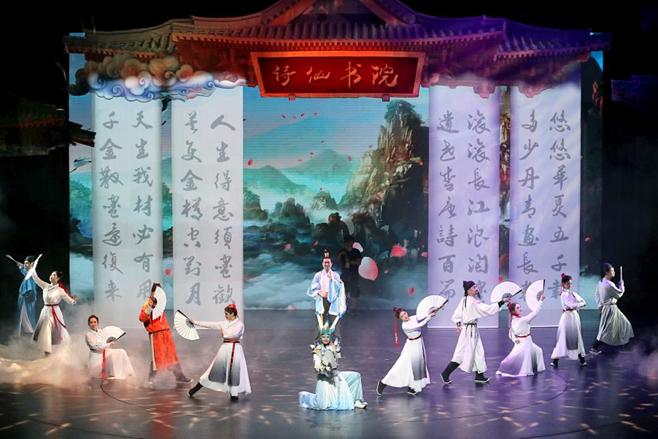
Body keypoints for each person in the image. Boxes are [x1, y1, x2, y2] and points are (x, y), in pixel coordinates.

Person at [441, 281, 508, 384]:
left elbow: (457, 315)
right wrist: (501, 302)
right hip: (469, 331)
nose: (476, 289)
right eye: (473, 287)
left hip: (470, 330)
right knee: (461, 354)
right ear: (468, 290)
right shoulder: (472, 301)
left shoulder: (464, 300)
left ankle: (479, 376)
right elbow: (487, 309)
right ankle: (445, 373)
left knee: (478, 352)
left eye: (476, 287)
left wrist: (458, 324)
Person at [188, 304, 251, 401]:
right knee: (214, 370)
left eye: (226, 314)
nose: (225, 316)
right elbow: (211, 325)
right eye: (225, 314)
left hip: (235, 349)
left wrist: (223, 333)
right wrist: (195, 322)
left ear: (232, 314)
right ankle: (196, 388)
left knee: (234, 372)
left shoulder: (240, 324)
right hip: (225, 348)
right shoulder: (224, 323)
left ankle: (234, 393)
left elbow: (234, 335)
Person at [299, 326, 367, 410]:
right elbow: (317, 366)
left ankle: (356, 400)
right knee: (324, 405)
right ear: (320, 338)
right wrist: (322, 369)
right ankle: (305, 396)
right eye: (323, 337)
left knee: (355, 376)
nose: (325, 339)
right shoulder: (318, 350)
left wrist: (335, 353)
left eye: (327, 337)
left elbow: (336, 361)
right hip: (325, 380)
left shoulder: (333, 347)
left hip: (335, 376)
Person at [376, 305, 440, 396]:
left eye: (405, 314)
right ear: (400, 319)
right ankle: (383, 383)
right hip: (412, 346)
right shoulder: (405, 326)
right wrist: (429, 317)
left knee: (415, 366)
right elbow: (420, 325)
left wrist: (430, 311)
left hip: (418, 343)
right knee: (401, 366)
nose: (405, 316)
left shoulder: (413, 317)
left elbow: (421, 316)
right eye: (402, 316)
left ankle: (411, 387)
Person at [138, 283, 192, 386]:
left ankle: (179, 376)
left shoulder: (160, 304)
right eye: (157, 291)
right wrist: (150, 307)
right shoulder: (147, 304)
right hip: (156, 334)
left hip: (165, 332)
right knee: (157, 357)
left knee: (171, 355)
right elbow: (141, 318)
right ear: (153, 292)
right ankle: (150, 379)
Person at [590, 263, 634, 354]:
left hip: (609, 308)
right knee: (605, 330)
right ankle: (594, 347)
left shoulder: (601, 282)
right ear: (607, 272)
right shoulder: (609, 285)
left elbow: (597, 294)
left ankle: (625, 346)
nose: (614, 272)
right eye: (612, 270)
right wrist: (622, 285)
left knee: (623, 324)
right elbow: (619, 294)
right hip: (610, 309)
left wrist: (600, 306)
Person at [497, 296, 546, 377]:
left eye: (520, 307)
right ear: (513, 311)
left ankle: (537, 368)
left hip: (527, 342)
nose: (520, 309)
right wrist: (541, 301)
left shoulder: (514, 320)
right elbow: (535, 312)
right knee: (520, 359)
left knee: (538, 350)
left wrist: (515, 340)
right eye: (518, 308)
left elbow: (510, 334)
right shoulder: (522, 320)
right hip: (525, 343)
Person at [31, 269, 76, 356]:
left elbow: (69, 300)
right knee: (46, 331)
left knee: (55, 331)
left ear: (58, 278)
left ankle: (56, 351)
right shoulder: (45, 286)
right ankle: (47, 352)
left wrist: (73, 300)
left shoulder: (60, 290)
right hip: (45, 311)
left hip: (55, 312)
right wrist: (32, 270)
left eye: (54, 275)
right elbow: (36, 279)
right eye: (51, 274)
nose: (51, 276)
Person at [550, 274, 587, 367]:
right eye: (568, 284)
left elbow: (572, 304)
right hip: (568, 317)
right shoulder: (565, 294)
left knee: (574, 337)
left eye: (570, 283)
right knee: (567, 337)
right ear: (563, 284)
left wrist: (579, 301)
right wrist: (582, 303)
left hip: (572, 316)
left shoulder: (567, 293)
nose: (570, 285)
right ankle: (556, 360)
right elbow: (571, 304)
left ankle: (581, 359)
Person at [85, 314, 135, 381]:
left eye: (95, 322)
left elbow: (104, 342)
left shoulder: (101, 331)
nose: (93, 324)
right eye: (91, 322)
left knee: (121, 351)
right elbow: (95, 347)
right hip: (97, 358)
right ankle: (115, 373)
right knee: (112, 354)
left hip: (105, 353)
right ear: (89, 324)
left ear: (97, 323)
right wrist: (108, 344)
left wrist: (109, 342)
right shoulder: (88, 335)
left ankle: (128, 372)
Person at [307, 250, 346, 330]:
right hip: (322, 299)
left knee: (334, 319)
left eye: (328, 262)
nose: (327, 264)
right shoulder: (318, 275)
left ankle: (335, 336)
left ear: (331, 264)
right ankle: (320, 336)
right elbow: (312, 288)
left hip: (333, 301)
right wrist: (319, 292)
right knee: (321, 320)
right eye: (325, 262)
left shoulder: (335, 275)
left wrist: (332, 280)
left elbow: (340, 287)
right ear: (322, 264)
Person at [12, 255, 38, 335]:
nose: (25, 264)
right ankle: (23, 331)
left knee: (29, 314)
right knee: (22, 314)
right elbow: (25, 272)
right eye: (24, 263)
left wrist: (21, 267)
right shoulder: (28, 272)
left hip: (29, 296)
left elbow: (27, 275)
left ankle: (32, 332)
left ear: (32, 264)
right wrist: (21, 266)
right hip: (24, 297)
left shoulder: (32, 273)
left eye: (27, 263)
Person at [337, 235, 362, 310]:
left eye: (350, 242)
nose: (348, 243)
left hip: (353, 275)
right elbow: (337, 261)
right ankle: (345, 308)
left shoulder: (356, 251)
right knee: (343, 292)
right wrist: (341, 255)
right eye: (347, 242)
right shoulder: (342, 251)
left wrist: (349, 262)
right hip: (345, 274)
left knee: (354, 292)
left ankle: (353, 309)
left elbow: (358, 262)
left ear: (352, 242)